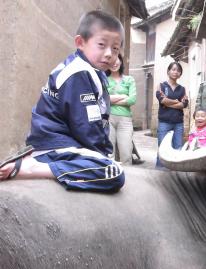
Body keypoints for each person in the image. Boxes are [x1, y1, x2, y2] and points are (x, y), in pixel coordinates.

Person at [0, 10, 125, 192]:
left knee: (106, 163)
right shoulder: (79, 73)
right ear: (80, 42)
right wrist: (103, 156)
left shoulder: (91, 71)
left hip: (62, 142)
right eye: (101, 45)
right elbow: (86, 126)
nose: (109, 54)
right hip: (57, 144)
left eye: (115, 48)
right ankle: (36, 168)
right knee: (113, 173)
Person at [106, 54, 143, 165]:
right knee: (109, 154)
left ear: (121, 61)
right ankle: (111, 179)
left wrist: (111, 100)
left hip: (125, 121)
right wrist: (123, 97)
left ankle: (128, 179)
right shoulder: (104, 80)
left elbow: (132, 100)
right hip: (108, 119)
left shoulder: (129, 79)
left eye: (117, 60)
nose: (114, 63)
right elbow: (103, 99)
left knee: (126, 153)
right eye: (111, 61)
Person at [155, 62, 188, 168]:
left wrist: (169, 103)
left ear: (180, 74)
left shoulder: (182, 89)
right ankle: (160, 171)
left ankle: (175, 172)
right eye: (173, 69)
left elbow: (184, 104)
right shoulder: (161, 85)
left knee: (178, 147)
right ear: (168, 71)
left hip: (178, 123)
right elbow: (162, 100)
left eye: (178, 70)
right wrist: (176, 101)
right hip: (164, 122)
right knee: (162, 148)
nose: (175, 72)